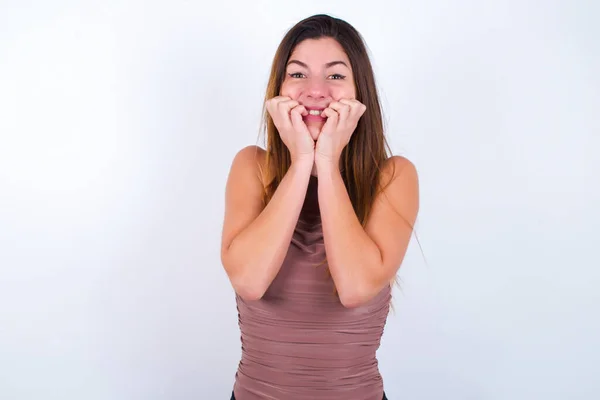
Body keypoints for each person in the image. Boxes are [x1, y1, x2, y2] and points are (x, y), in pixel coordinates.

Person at [220, 13, 419, 400]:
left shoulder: (394, 177)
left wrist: (327, 163)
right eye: (297, 75)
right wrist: (300, 164)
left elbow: (356, 288)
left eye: (335, 75)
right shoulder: (252, 167)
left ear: (360, 91)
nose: (315, 90)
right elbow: (248, 279)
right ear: (278, 89)